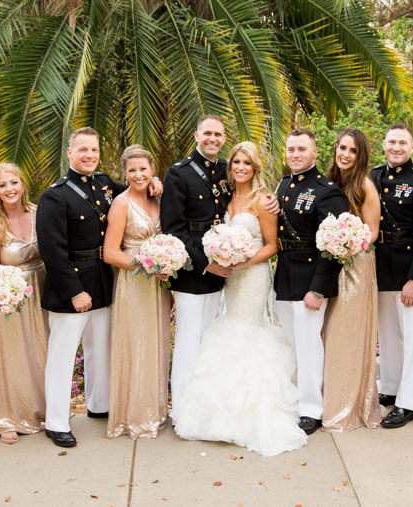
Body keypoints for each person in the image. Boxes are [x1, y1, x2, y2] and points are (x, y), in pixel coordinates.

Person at [173, 142, 307, 455]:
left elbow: (273, 245)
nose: (241, 167)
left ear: (255, 167)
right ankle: (218, 409)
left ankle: (253, 412)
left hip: (252, 276)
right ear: (229, 166)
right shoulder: (224, 196)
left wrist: (242, 262)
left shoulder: (264, 201)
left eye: (247, 163)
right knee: (228, 329)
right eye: (236, 162)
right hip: (229, 278)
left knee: (247, 331)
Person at [37, 128, 161, 447]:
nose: (89, 155)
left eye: (93, 149)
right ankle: (56, 421)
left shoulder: (104, 184)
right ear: (70, 153)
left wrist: (155, 182)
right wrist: (74, 291)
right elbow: (52, 250)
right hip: (73, 285)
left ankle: (99, 405)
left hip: (103, 283)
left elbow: (134, 190)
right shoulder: (56, 195)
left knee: (100, 350)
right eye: (82, 150)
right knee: (63, 355)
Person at [273, 128, 347, 435]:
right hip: (286, 277)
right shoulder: (284, 185)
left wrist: (318, 288)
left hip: (310, 281)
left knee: (308, 345)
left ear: (314, 152)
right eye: (291, 149)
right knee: (293, 344)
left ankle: (311, 409)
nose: (295, 154)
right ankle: (297, 400)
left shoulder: (327, 190)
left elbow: (334, 245)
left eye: (301, 149)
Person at [160, 115, 232, 417]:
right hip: (192, 273)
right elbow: (174, 228)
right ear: (196, 135)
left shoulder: (228, 169)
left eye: (218, 134)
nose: (212, 139)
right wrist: (206, 264)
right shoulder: (178, 174)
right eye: (207, 133)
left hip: (223, 269)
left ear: (224, 138)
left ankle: (203, 405)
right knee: (189, 340)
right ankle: (182, 411)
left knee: (209, 340)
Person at [371, 124, 413, 429]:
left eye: (402, 143)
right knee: (387, 334)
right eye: (391, 142)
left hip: (409, 269)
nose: (396, 147)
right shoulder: (373, 176)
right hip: (380, 266)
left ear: (412, 147)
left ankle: (409, 401)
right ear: (384, 145)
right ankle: (390, 387)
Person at [103, 145, 174, 440]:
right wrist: (145, 265)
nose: (137, 175)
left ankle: (153, 411)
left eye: (143, 169)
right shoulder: (121, 204)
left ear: (152, 168)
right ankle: (133, 415)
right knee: (135, 344)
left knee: (156, 343)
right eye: (131, 170)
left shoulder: (159, 198)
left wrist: (166, 265)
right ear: (125, 172)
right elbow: (109, 253)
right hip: (134, 282)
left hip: (158, 284)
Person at [0, 163, 49, 444]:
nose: (10, 189)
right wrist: (4, 298)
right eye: (2, 185)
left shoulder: (38, 213)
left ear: (23, 184)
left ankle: (42, 410)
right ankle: (7, 416)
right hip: (10, 300)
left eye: (13, 183)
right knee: (11, 355)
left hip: (42, 291)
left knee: (39, 351)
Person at [321, 128, 383, 432]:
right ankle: (326, 397)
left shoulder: (365, 186)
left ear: (361, 156)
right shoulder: (328, 182)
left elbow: (372, 231)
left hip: (356, 265)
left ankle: (349, 403)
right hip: (330, 262)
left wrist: (348, 244)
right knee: (327, 333)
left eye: (352, 150)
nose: (345, 154)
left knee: (347, 333)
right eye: (341, 148)